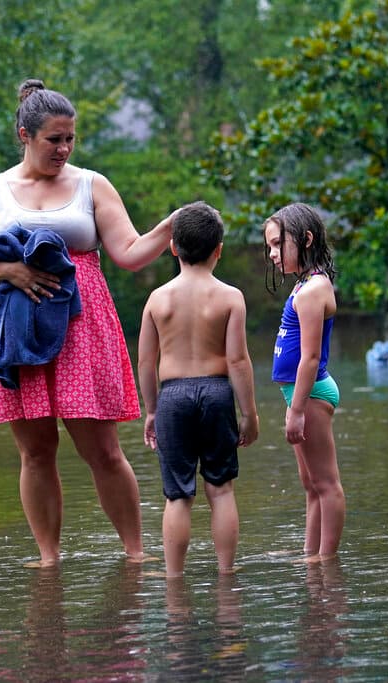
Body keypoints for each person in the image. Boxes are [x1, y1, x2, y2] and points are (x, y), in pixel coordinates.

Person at [0, 78, 177, 567]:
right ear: (25, 135)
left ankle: (136, 555)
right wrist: (10, 270)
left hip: (83, 322)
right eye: (53, 139)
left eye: (69, 139)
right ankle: (49, 559)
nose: (64, 148)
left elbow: (127, 252)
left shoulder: (91, 184)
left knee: (101, 448)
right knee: (36, 451)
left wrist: (166, 229)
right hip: (12, 327)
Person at [137, 200, 259, 577]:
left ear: (172, 247)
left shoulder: (158, 299)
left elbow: (145, 363)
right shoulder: (230, 297)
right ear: (219, 250)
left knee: (177, 496)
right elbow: (238, 361)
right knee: (221, 490)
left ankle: (174, 579)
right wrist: (249, 413)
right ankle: (225, 573)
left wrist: (152, 410)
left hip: (172, 396)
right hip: (217, 392)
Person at [263, 202, 345, 561]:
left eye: (278, 244)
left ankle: (327, 562)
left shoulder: (314, 290)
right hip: (299, 395)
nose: (272, 254)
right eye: (270, 246)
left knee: (326, 484)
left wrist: (296, 410)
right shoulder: (304, 285)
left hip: (310, 395)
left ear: (306, 239)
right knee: (311, 486)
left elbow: (310, 357)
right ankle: (310, 557)